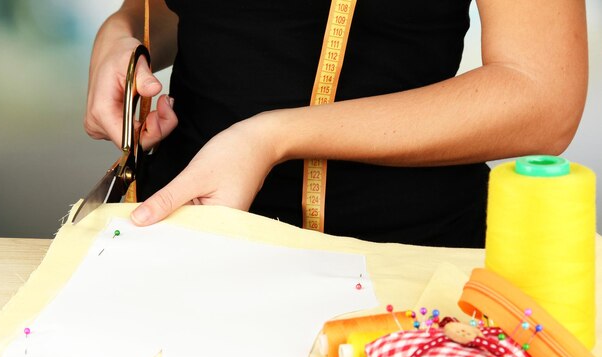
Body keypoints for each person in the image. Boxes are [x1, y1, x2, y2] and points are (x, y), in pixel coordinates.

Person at [84, 0, 588, 248]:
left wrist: (273, 136)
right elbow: (172, 9)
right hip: (180, 232)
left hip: (403, 260)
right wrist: (122, 31)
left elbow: (541, 95)